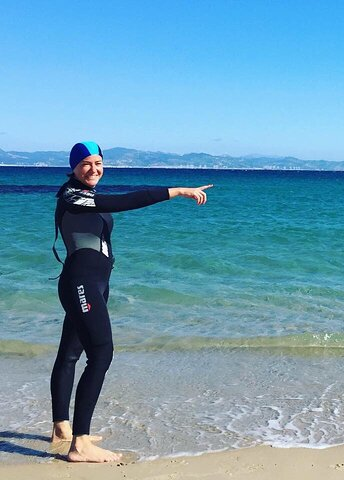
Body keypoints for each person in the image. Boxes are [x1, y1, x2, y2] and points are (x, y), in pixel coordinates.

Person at [49, 141, 212, 463]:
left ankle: (62, 429)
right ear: (74, 167)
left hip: (93, 284)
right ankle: (80, 444)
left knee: (70, 353)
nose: (93, 169)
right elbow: (125, 201)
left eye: (98, 163)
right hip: (81, 284)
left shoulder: (86, 195)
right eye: (86, 164)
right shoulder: (73, 195)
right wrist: (176, 190)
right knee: (101, 353)